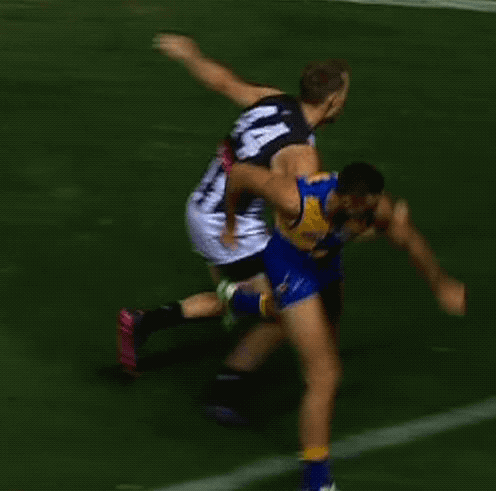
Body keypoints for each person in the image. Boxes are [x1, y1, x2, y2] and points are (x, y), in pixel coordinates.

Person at [117, 35, 348, 392]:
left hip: (202, 204)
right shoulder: (302, 156)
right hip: (229, 227)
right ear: (332, 101)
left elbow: (223, 82)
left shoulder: (275, 101)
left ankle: (146, 322)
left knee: (243, 297)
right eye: (344, 96)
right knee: (288, 306)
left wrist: (190, 54)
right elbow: (294, 216)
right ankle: (225, 387)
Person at [221, 161, 466, 491]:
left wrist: (441, 285)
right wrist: (231, 224)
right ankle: (316, 481)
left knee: (327, 332)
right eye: (365, 209)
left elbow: (408, 238)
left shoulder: (371, 206)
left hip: (326, 263)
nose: (371, 214)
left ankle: (244, 301)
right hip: (290, 265)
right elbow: (239, 174)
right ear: (347, 200)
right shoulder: (294, 200)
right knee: (324, 375)